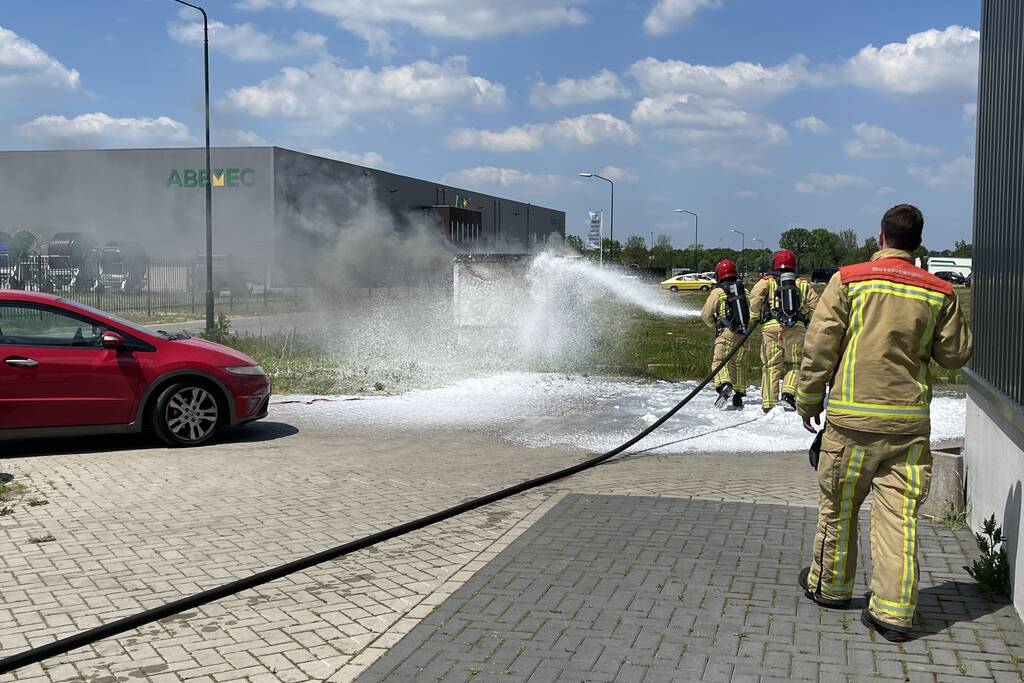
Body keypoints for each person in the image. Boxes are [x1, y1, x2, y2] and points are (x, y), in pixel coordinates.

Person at [796, 204, 972, 642]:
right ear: (918, 243)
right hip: (908, 430)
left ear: (881, 238)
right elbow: (954, 355)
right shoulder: (939, 293)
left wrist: (807, 399)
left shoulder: (849, 280)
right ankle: (893, 614)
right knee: (899, 519)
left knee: (839, 509)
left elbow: (820, 347)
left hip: (851, 424)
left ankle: (831, 587)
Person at [748, 249, 819, 413]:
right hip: (796, 330)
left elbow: (755, 299)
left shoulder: (767, 281)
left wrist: (755, 317)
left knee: (771, 365)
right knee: (795, 364)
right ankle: (788, 394)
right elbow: (816, 306)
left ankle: (768, 403)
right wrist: (808, 321)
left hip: (772, 329)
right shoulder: (802, 284)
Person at [701, 259, 750, 410]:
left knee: (719, 362)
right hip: (744, 334)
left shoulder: (718, 292)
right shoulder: (745, 292)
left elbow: (706, 314)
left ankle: (724, 385)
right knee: (739, 364)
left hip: (726, 333)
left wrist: (714, 326)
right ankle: (739, 396)